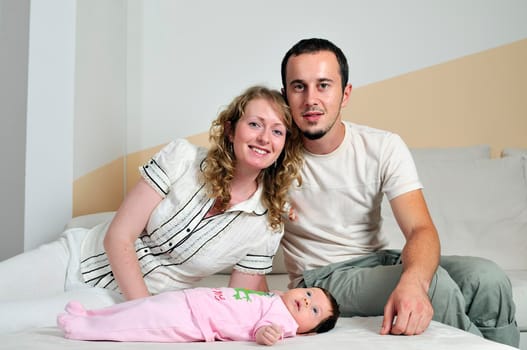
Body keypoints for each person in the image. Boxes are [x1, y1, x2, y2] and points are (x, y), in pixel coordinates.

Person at [0, 85, 304, 333]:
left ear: (284, 146)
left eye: (278, 131)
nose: (265, 138)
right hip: (75, 256)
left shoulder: (268, 223)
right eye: (254, 124)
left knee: (8, 321)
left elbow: (232, 304)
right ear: (230, 130)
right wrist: (145, 312)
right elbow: (118, 236)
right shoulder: (181, 159)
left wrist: (275, 316)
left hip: (113, 300)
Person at [279, 38, 519, 347]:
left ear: (345, 93)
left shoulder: (382, 146)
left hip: (376, 260)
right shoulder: (272, 151)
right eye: (299, 87)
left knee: (488, 278)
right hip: (319, 278)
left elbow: (420, 229)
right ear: (285, 95)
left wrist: (413, 281)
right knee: (438, 287)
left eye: (323, 85)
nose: (311, 99)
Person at [57, 286, 340, 345]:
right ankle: (91, 314)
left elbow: (264, 326)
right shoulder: (276, 299)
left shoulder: (285, 323)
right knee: (140, 307)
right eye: (308, 292)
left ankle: (83, 329)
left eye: (314, 309)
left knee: (141, 323)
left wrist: (266, 333)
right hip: (191, 299)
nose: (305, 299)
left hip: (194, 320)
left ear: (308, 332)